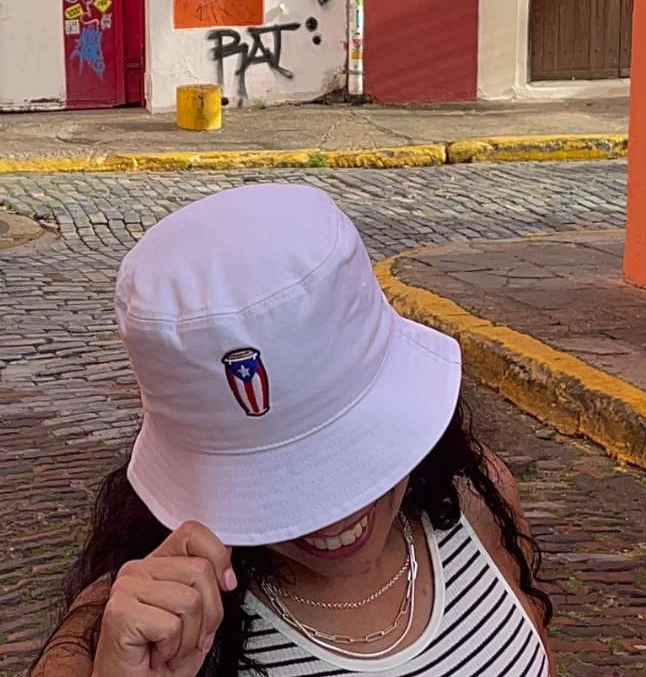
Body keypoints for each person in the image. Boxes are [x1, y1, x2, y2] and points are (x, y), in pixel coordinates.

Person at [32, 184, 554, 677]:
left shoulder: (474, 496)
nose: (334, 516)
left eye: (355, 455)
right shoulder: (130, 634)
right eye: (270, 484)